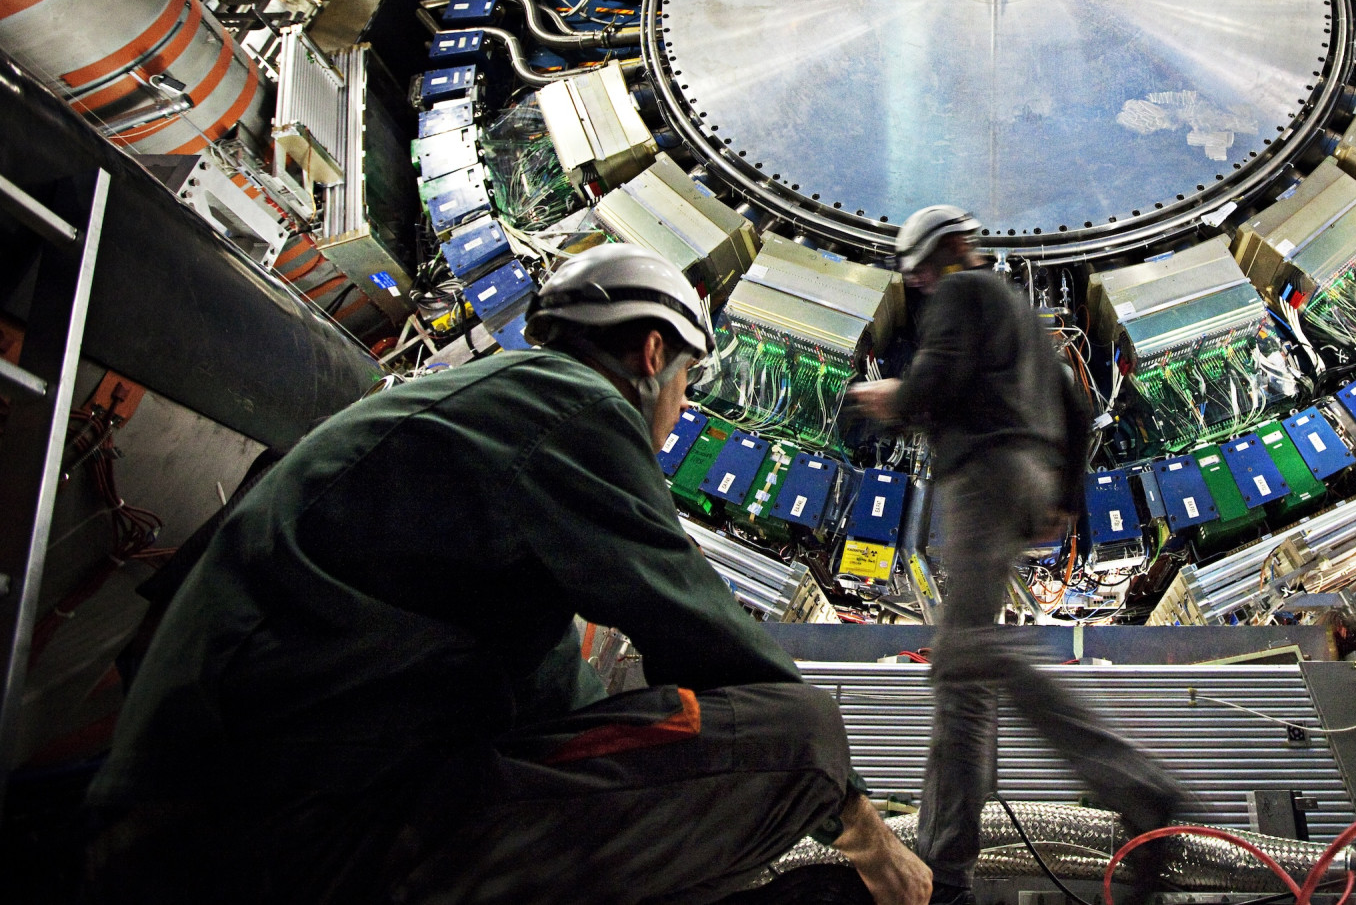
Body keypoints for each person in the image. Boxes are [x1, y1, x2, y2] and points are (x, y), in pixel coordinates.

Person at [86, 246, 930, 905]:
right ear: (651, 351)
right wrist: (862, 823)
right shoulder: (573, 409)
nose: (678, 416)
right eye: (684, 386)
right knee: (799, 737)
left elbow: (546, 710)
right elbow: (703, 635)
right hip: (289, 838)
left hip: (200, 826)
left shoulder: (461, 407)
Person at [847, 206, 1185, 905]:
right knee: (961, 678)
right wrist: (1064, 492)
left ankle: (1140, 785)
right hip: (1024, 475)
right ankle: (945, 861)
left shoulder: (961, 293)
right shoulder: (1021, 313)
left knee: (969, 653)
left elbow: (935, 382)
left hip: (982, 476)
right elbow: (1075, 405)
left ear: (926, 263)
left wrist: (891, 396)